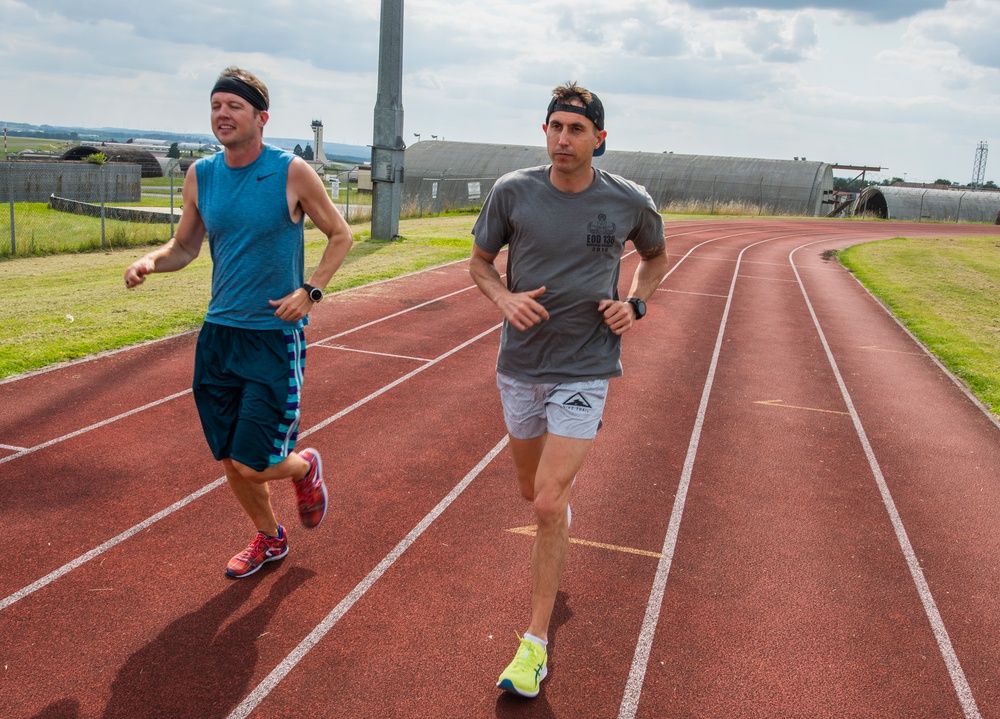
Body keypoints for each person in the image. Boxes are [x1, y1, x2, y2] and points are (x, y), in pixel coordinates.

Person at [469, 82, 669, 697]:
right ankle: (557, 500)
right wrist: (503, 297)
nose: (562, 138)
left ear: (599, 139)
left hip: (586, 364)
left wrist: (635, 303)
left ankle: (533, 646)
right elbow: (478, 262)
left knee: (547, 504)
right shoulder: (512, 192)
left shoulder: (629, 200)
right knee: (531, 488)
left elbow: (657, 258)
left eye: (576, 130)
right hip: (522, 364)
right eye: (555, 127)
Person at [124, 67, 353, 579]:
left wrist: (310, 291)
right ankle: (270, 539)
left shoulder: (291, 172)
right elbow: (185, 246)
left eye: (234, 106)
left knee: (255, 461)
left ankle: (304, 466)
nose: (222, 115)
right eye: (216, 106)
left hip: (272, 337)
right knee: (230, 456)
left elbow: (340, 235)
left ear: (261, 117)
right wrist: (150, 262)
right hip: (219, 337)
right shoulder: (201, 174)